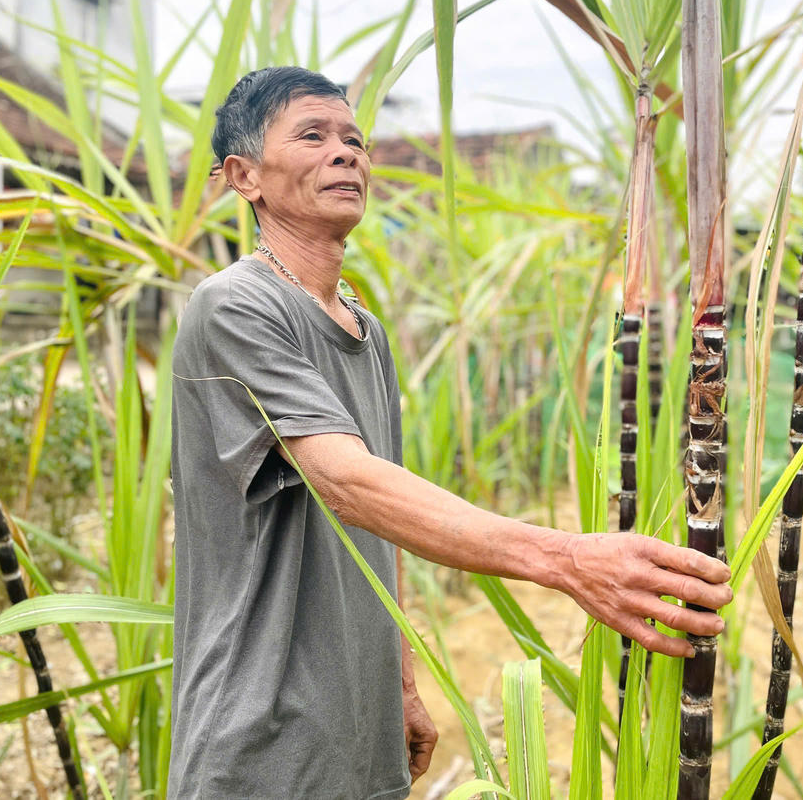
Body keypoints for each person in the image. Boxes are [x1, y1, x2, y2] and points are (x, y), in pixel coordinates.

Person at [168, 66, 732, 799]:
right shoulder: (234, 307)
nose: (347, 154)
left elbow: (379, 523)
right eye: (312, 136)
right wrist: (565, 558)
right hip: (262, 748)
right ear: (245, 175)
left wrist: (398, 682)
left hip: (359, 744)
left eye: (354, 139)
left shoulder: (364, 330)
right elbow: (346, 482)